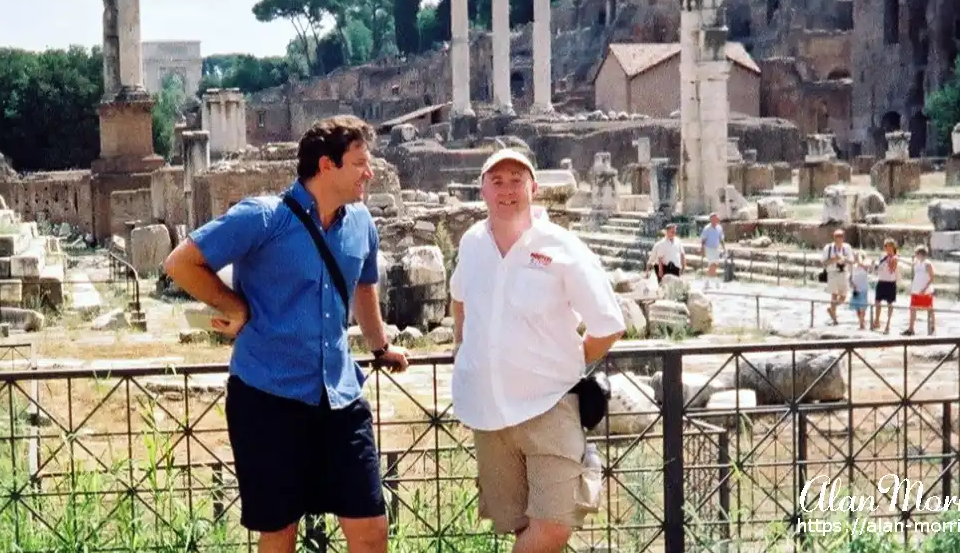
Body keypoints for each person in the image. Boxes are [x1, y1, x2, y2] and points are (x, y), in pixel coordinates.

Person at [162, 115, 410, 553]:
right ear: (326, 165)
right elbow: (181, 262)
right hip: (268, 396)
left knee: (371, 528)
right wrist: (231, 305)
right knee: (279, 533)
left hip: (340, 395)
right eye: (359, 163)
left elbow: (364, 285)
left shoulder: (361, 223)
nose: (369, 173)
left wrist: (380, 345)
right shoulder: (265, 217)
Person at [449, 148, 626, 553]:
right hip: (489, 411)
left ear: (535, 188)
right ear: (482, 189)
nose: (507, 190)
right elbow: (459, 296)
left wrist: (572, 363)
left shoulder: (561, 246)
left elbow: (608, 323)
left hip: (550, 406)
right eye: (497, 181)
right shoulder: (472, 242)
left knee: (554, 526)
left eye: (516, 180)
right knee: (520, 525)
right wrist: (463, 348)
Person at [820, 229, 854, 325]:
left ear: (843, 238)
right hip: (833, 273)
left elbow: (851, 261)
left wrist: (844, 259)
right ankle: (834, 318)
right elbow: (824, 262)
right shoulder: (828, 248)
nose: (839, 239)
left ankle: (831, 308)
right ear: (834, 238)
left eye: (841, 236)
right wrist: (834, 259)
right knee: (834, 295)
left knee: (843, 297)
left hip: (843, 273)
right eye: (837, 237)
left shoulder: (847, 247)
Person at [902, 245, 936, 336]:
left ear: (920, 254)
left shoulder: (927, 263)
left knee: (930, 309)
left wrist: (924, 288)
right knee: (912, 308)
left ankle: (932, 327)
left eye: (916, 253)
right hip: (916, 290)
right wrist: (899, 259)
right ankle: (911, 329)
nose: (915, 255)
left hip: (925, 290)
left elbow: (932, 277)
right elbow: (910, 264)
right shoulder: (917, 262)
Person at [871, 238, 900, 333]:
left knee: (890, 303)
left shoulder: (895, 258)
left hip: (890, 282)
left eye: (889, 246)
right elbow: (878, 268)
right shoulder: (883, 257)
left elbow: (892, 269)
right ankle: (877, 320)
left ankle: (888, 324)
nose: (887, 248)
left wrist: (890, 260)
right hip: (881, 281)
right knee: (877, 301)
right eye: (886, 246)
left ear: (893, 247)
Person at [698, 213, 725, 287]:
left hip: (716, 248)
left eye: (717, 218)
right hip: (709, 248)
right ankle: (717, 282)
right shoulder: (707, 228)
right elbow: (703, 240)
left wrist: (724, 248)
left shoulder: (719, 227)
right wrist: (702, 249)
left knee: (714, 265)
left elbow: (721, 238)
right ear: (711, 219)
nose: (716, 220)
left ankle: (706, 281)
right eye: (715, 218)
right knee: (713, 264)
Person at [848, 252, 870, 329]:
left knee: (863, 307)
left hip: (863, 289)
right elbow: (850, 277)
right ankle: (861, 322)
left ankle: (862, 323)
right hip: (855, 290)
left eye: (857, 256)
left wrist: (859, 261)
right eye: (855, 256)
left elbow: (866, 268)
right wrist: (852, 285)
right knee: (857, 308)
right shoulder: (852, 266)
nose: (855, 258)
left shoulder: (865, 265)